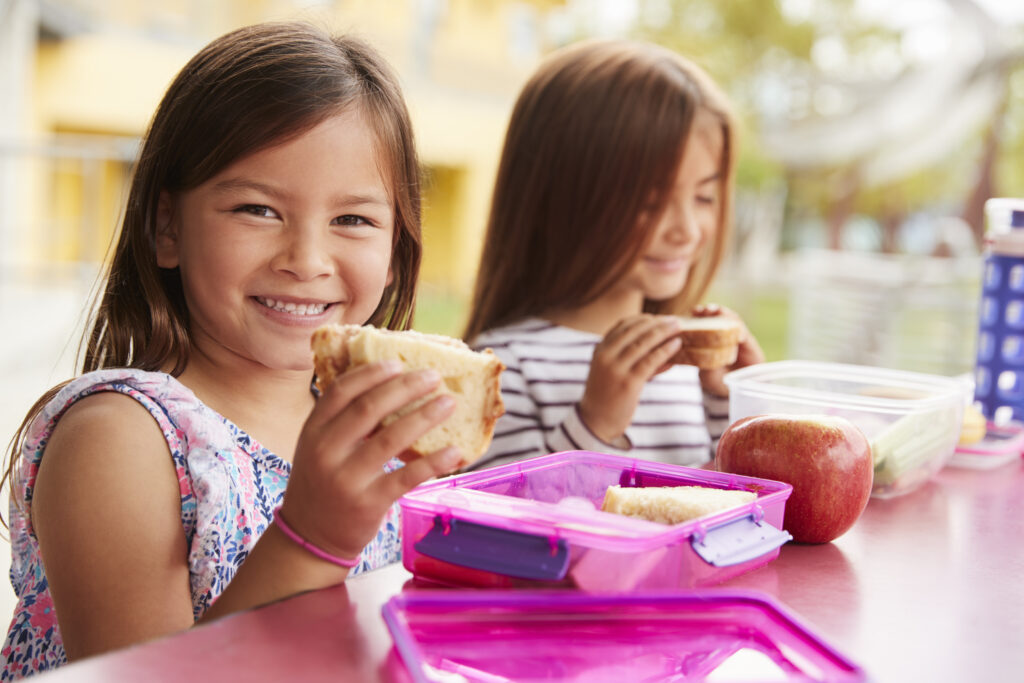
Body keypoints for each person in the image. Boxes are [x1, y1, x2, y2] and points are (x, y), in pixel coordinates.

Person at [0, 22, 462, 679]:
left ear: (395, 251)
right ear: (167, 228)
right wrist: (313, 539)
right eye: (257, 209)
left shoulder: (380, 433)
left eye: (353, 219)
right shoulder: (118, 440)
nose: (305, 259)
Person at [463, 39, 764, 471]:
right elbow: (503, 522)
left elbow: (723, 502)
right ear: (558, 198)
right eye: (651, 202)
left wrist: (733, 400)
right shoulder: (504, 366)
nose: (686, 230)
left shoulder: (685, 371)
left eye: (703, 197)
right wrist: (595, 422)